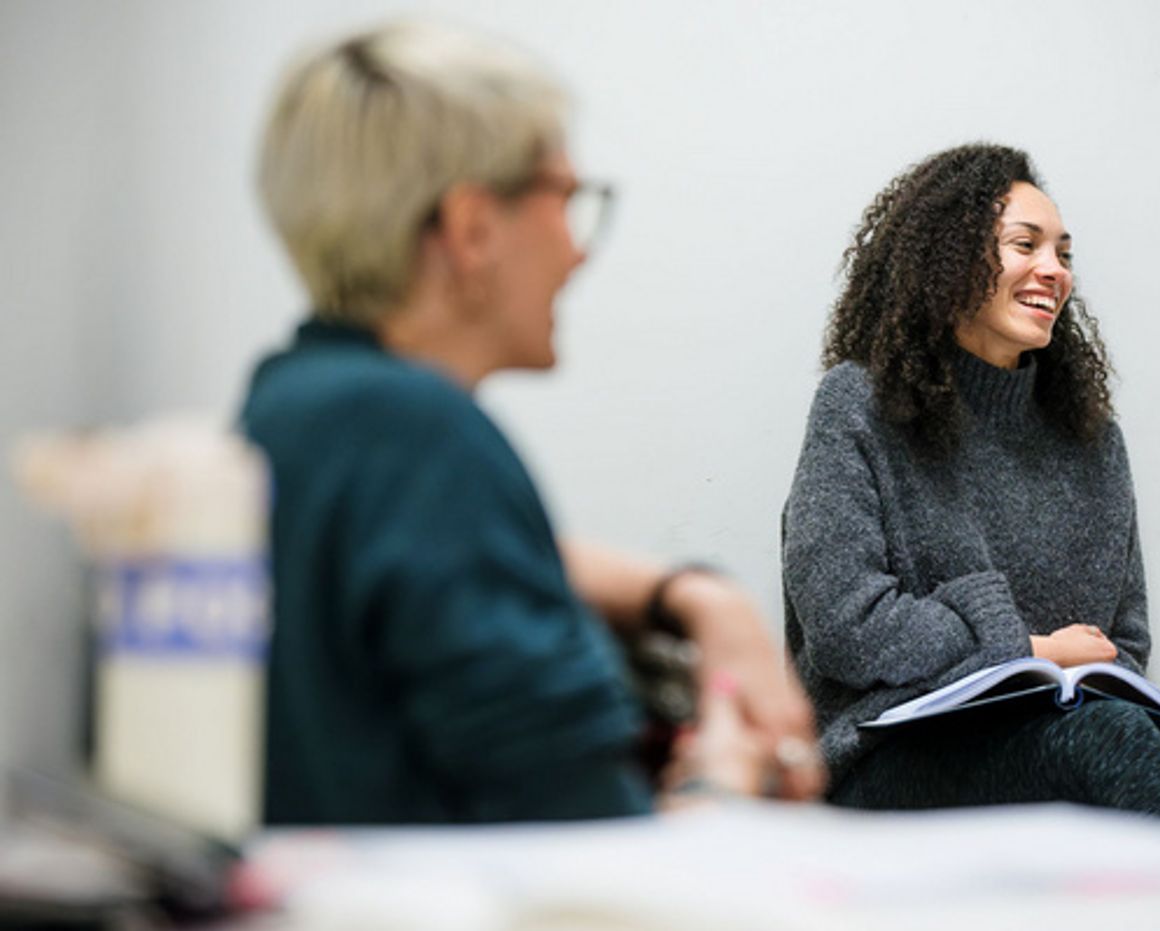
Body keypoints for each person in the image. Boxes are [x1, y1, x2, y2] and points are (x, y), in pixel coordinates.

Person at [241, 20, 823, 825]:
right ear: (473, 229)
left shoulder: (296, 402)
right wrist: (725, 780)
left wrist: (699, 596)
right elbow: (591, 850)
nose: (577, 252)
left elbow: (467, 560)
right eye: (565, 199)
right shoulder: (419, 434)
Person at [782, 143, 1160, 827]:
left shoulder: (1092, 439)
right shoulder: (858, 405)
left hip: (1050, 735)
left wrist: (1075, 667)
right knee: (1110, 745)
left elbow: (1122, 640)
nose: (1054, 271)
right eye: (1026, 244)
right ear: (948, 257)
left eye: (1064, 254)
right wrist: (1032, 649)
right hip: (885, 755)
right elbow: (849, 626)